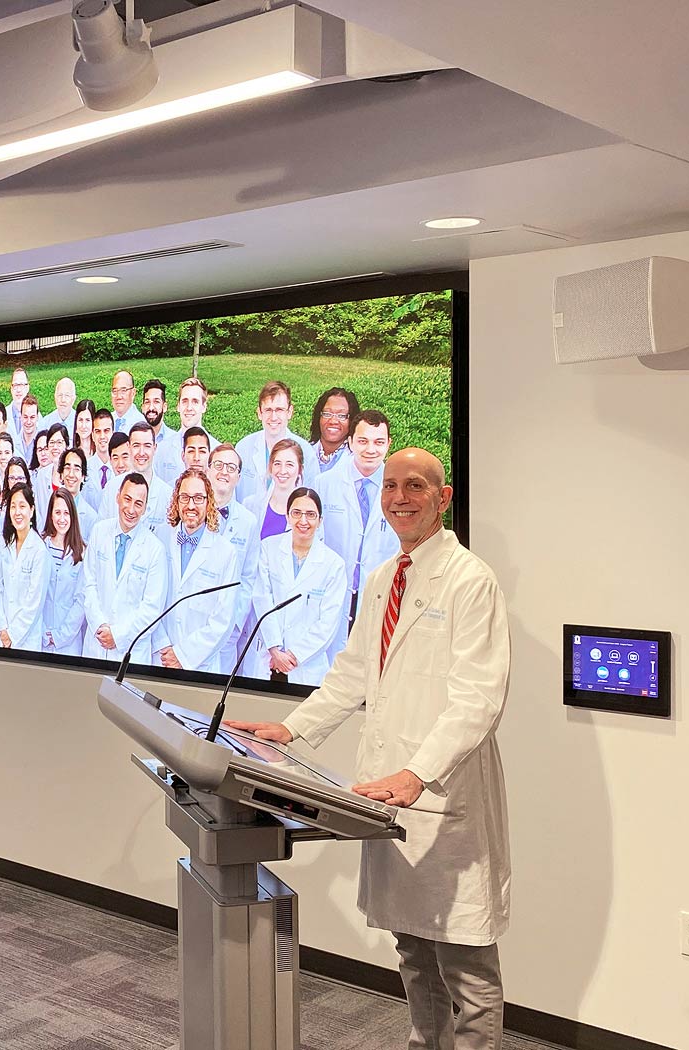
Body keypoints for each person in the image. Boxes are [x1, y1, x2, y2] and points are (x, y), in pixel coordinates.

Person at [226, 448, 512, 1050]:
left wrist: (418, 773)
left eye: (415, 485)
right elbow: (352, 674)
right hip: (387, 791)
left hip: (441, 794)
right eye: (390, 486)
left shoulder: (469, 580)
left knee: (468, 971)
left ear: (444, 496)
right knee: (412, 950)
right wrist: (294, 729)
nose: (400, 497)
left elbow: (478, 700)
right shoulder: (385, 577)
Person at [315, 410, 400, 638]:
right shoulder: (325, 484)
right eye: (363, 441)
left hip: (380, 596)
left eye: (378, 442)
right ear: (350, 442)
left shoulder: (400, 491)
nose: (370, 449)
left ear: (389, 444)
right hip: (332, 596)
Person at [249, 488, 347, 684]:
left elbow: (328, 623)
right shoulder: (269, 548)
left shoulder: (333, 564)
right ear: (287, 516)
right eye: (297, 513)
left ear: (320, 520)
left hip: (306, 666)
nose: (303, 521)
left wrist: (293, 656)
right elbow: (262, 599)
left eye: (311, 515)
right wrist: (275, 650)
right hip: (268, 658)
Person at [152, 469, 240, 672]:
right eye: (185, 497)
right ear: (176, 501)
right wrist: (164, 646)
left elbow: (223, 619)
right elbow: (148, 599)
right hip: (160, 655)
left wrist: (183, 655)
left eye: (198, 498)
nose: (191, 505)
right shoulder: (160, 539)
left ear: (209, 502)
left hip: (200, 664)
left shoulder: (225, 552)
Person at [82, 473, 166, 663]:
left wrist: (117, 636)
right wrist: (100, 626)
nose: (131, 509)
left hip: (131, 652)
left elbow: (152, 609)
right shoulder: (99, 532)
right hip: (96, 643)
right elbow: (88, 584)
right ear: (118, 497)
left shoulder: (155, 549)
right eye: (127, 499)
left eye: (138, 503)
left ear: (145, 508)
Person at [208, 443, 261, 669]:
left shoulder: (248, 522)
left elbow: (248, 577)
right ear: (208, 470)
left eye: (231, 467)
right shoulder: (191, 512)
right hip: (191, 624)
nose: (224, 472)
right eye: (218, 465)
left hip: (228, 630)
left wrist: (235, 624)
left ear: (238, 477)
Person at [235, 380, 314, 504]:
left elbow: (312, 498)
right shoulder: (243, 447)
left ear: (290, 412)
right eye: (268, 410)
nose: (273, 417)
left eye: (279, 410)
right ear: (259, 413)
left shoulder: (306, 451)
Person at [0, 482, 47, 652]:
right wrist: (2, 628)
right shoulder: (4, 544)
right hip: (1, 635)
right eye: (13, 506)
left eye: (22, 506)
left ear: (31, 510)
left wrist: (12, 634)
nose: (17, 512)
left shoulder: (39, 550)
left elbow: (34, 603)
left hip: (25, 640)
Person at [40, 490, 87, 656]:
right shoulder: (39, 546)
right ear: (50, 514)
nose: (62, 518)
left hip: (69, 643)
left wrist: (60, 636)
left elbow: (81, 600)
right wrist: (44, 632)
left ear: (73, 516)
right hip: (40, 637)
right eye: (57, 512)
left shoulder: (82, 553)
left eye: (66, 513)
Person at [244, 438, 306, 540]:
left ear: (300, 469)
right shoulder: (250, 505)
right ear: (270, 467)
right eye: (277, 464)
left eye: (289, 465)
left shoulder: (309, 512)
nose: (282, 471)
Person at [141, 379, 183, 484]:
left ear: (164, 407)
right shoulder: (134, 440)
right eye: (147, 402)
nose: (151, 407)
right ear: (142, 407)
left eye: (156, 402)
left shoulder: (176, 442)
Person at [309, 387, 360, 474]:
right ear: (319, 417)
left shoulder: (357, 460)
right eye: (327, 414)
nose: (333, 421)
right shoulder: (304, 451)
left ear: (352, 420)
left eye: (341, 415)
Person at [54, 448, 97, 541]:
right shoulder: (52, 507)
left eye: (76, 469)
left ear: (83, 476)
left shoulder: (91, 517)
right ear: (61, 474)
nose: (71, 474)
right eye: (67, 468)